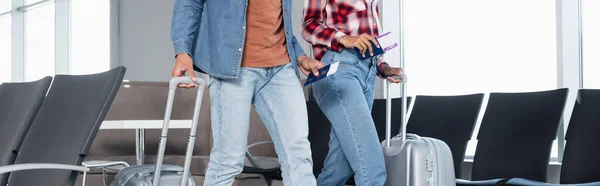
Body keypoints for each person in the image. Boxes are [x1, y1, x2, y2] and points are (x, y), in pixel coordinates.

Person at [170, 0, 323, 185]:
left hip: (281, 68)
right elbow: (189, 3)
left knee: (299, 155)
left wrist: (300, 56)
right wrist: (182, 51)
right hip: (231, 68)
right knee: (228, 160)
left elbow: (279, 18)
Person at [302, 0, 404, 185]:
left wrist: (383, 67)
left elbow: (368, 41)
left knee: (338, 170)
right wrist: (343, 38)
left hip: (367, 73)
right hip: (338, 68)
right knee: (371, 169)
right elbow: (308, 25)